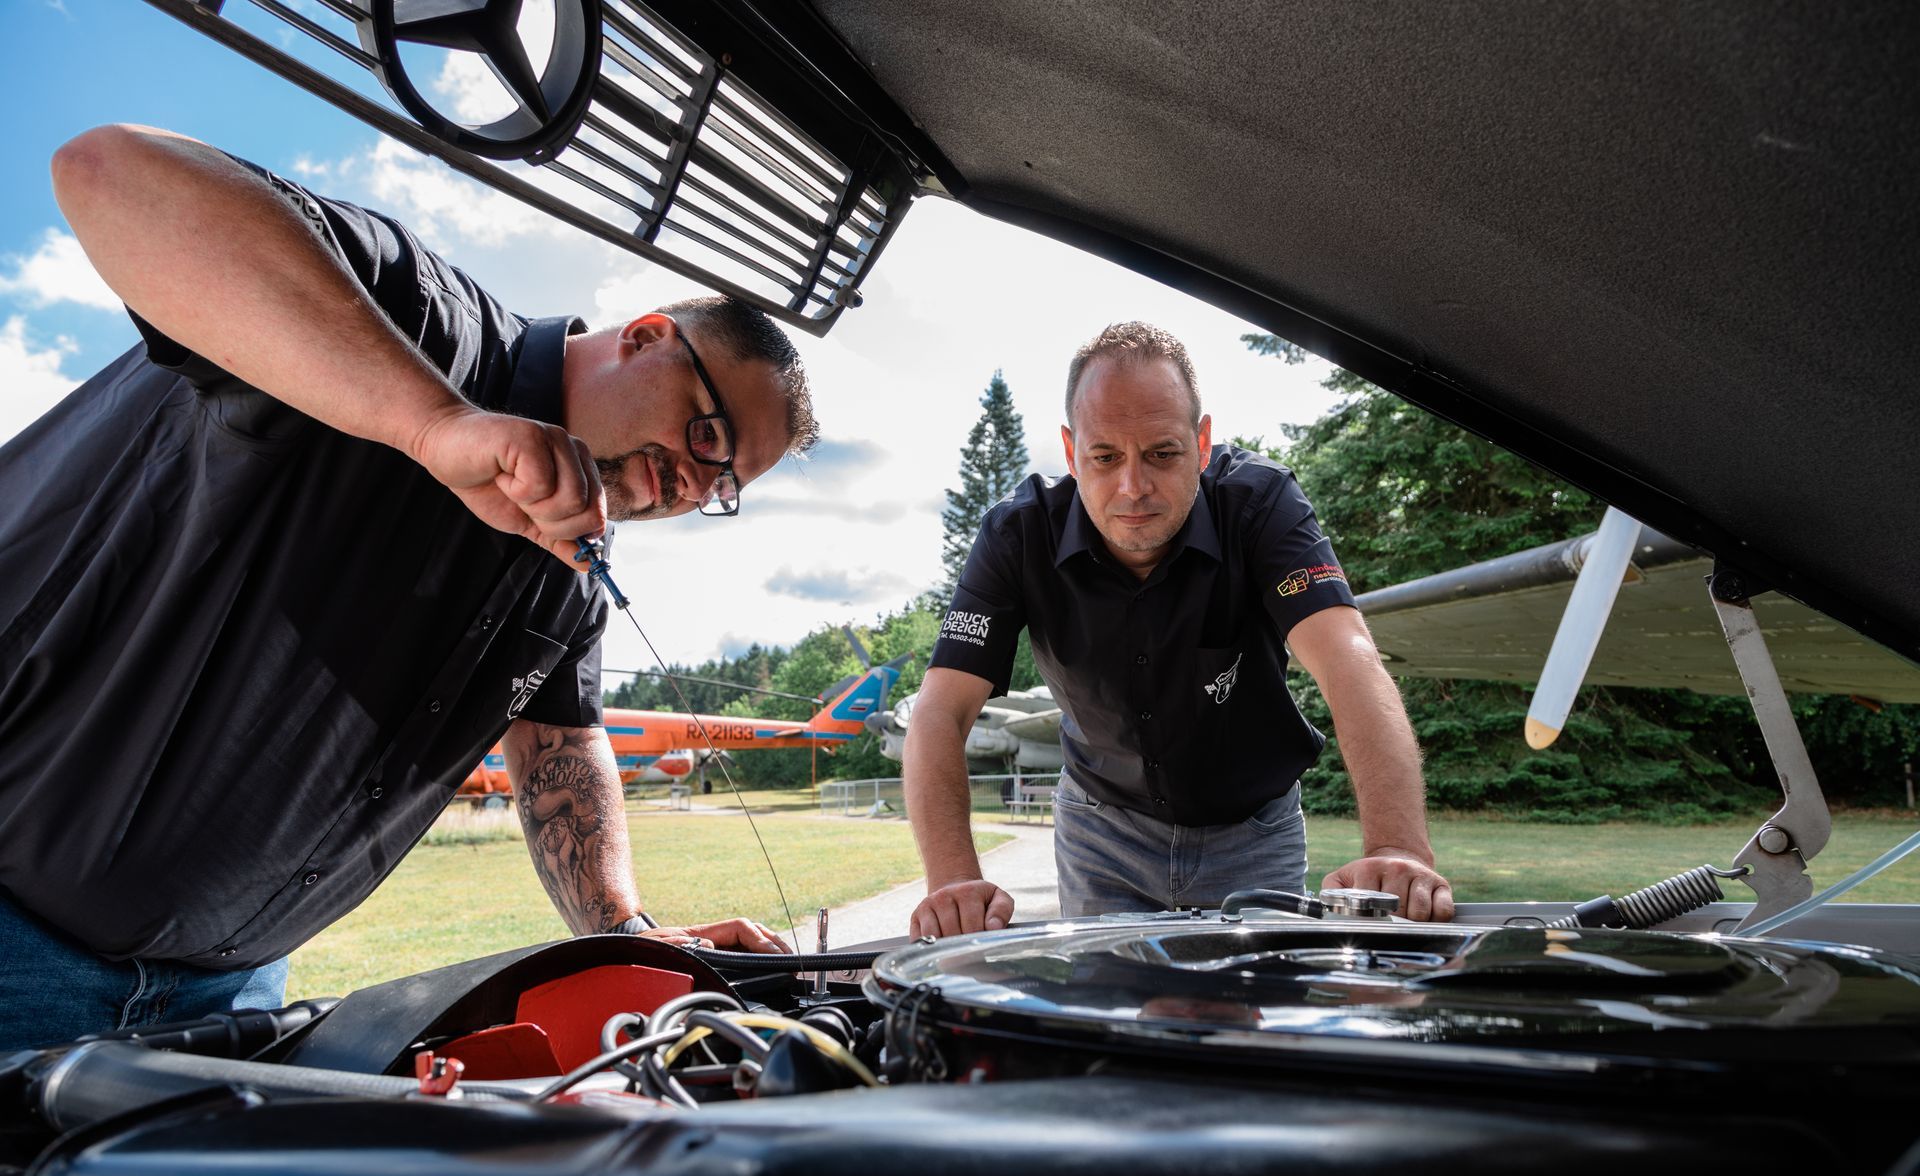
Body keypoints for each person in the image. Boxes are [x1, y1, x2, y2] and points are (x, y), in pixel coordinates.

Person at [0, 125, 808, 1049]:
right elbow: (110, 174)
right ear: (649, 339)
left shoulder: (571, 574)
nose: (699, 483)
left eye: (727, 484)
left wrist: (624, 933)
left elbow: (558, 750)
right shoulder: (420, 324)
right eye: (709, 436)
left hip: (228, 1000)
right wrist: (434, 425)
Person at [905, 322, 1451, 937]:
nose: (1132, 487)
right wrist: (952, 880)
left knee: (1251, 1019)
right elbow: (938, 711)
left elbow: (1349, 659)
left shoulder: (1261, 504)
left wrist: (1398, 847)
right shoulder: (1016, 535)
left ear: (1203, 441)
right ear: (1069, 451)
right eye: (1104, 457)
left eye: (1163, 453)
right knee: (1108, 1024)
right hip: (1100, 830)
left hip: (1255, 830)